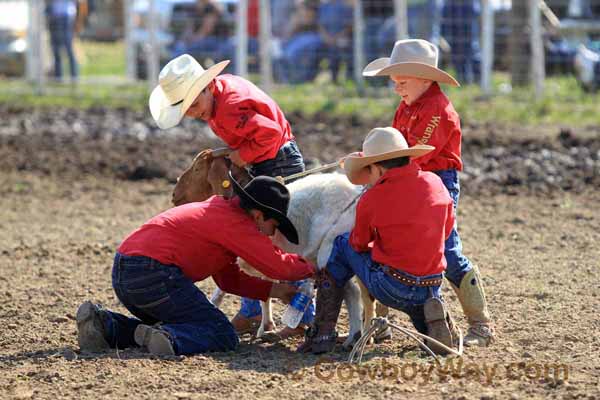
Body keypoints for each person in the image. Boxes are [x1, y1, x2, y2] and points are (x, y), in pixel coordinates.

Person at [149, 54, 312, 338]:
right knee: (255, 233)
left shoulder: (229, 108)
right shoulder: (223, 96)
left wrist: (239, 156)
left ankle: (299, 314)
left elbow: (271, 134)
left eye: (194, 104)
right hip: (271, 159)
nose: (192, 113)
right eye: (185, 109)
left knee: (276, 237)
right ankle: (257, 310)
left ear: (208, 86)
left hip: (276, 161)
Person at [76, 175, 316, 356]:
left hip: (126, 273)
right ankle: (170, 338)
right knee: (221, 333)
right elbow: (279, 267)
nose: (272, 234)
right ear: (258, 215)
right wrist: (314, 264)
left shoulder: (217, 213)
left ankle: (107, 326)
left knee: (186, 323)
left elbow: (228, 280)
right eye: (273, 225)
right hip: (154, 275)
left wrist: (276, 291)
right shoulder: (238, 225)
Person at [362, 38, 494, 346]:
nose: (397, 88)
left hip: (435, 182)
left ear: (425, 79)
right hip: (408, 178)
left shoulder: (438, 110)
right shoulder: (408, 106)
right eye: (394, 82)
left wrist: (374, 166)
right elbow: (397, 148)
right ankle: (381, 323)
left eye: (402, 81)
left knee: (446, 249)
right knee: (391, 243)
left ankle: (481, 325)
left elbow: (413, 154)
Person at [298, 127, 459, 355]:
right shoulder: (435, 183)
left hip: (393, 287)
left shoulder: (372, 198)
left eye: (368, 171)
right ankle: (433, 321)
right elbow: (447, 230)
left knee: (342, 244)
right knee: (417, 294)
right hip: (431, 283)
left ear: (376, 168)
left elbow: (358, 244)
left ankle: (322, 332)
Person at [45, 0, 87, 81]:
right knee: (55, 50)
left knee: (69, 50)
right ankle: (58, 77)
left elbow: (82, 3)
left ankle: (74, 77)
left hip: (66, 19)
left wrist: (79, 21)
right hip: (54, 17)